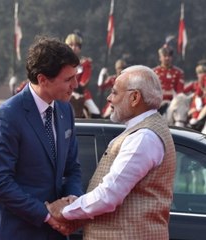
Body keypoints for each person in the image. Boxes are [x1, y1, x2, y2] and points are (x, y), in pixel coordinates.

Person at [46, 65, 176, 239]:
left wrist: (63, 210)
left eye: (114, 93)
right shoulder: (143, 131)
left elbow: (108, 195)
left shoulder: (143, 137)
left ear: (135, 97)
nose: (108, 98)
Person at [0, 36, 83, 240]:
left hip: (56, 231)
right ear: (43, 79)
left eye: (75, 76)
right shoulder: (8, 115)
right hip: (16, 232)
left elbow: (72, 169)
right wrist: (46, 214)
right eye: (68, 79)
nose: (76, 84)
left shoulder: (65, 109)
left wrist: (71, 203)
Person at [65, 32, 101, 118]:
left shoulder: (85, 63)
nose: (73, 48)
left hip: (81, 94)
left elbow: (83, 82)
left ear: (80, 48)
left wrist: (75, 90)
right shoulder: (60, 63)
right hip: (63, 92)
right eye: (71, 45)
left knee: (95, 113)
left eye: (76, 45)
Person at [153, 44, 184, 114]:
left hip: (173, 103)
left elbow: (180, 91)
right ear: (160, 58)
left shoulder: (178, 72)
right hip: (157, 104)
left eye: (169, 56)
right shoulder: (154, 72)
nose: (167, 58)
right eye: (164, 56)